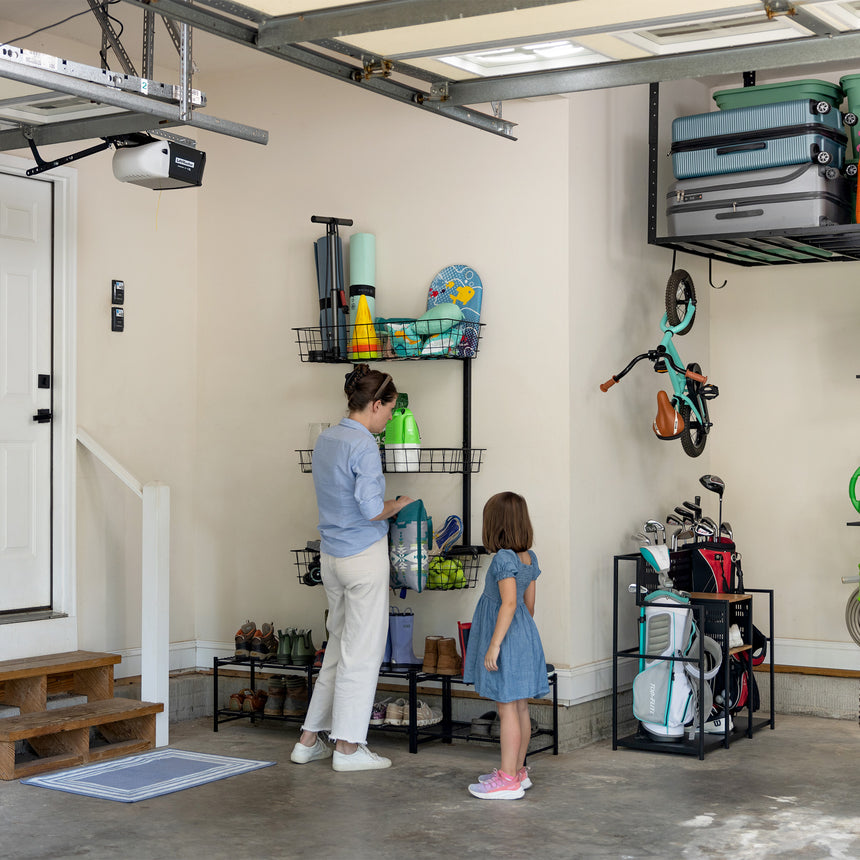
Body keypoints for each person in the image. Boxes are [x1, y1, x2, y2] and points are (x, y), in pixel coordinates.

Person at [290, 364, 413, 772]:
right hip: (363, 558)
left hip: (332, 558)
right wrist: (396, 505)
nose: (390, 418)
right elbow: (370, 508)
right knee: (362, 653)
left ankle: (309, 739)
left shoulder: (327, 438)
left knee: (338, 649)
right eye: (389, 410)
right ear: (375, 404)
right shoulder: (363, 446)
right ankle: (348, 748)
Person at [462, 491, 548, 800]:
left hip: (507, 639)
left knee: (506, 707)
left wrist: (494, 645)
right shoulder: (528, 557)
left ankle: (508, 778)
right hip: (525, 635)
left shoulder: (503, 558)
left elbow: (509, 603)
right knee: (521, 706)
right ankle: (518, 771)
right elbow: (529, 606)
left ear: (495, 525)